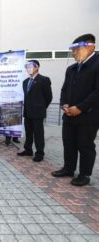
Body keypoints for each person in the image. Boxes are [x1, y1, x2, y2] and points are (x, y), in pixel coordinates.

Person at [52, 34, 99, 186]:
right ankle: (68, 168)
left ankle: (84, 174)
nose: (73, 53)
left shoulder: (96, 64)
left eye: (76, 49)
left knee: (85, 145)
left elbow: (97, 92)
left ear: (91, 46)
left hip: (88, 116)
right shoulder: (71, 69)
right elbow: (64, 90)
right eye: (72, 49)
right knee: (69, 143)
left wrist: (80, 107)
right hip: (69, 115)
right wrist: (64, 104)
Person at [17, 60, 52, 162]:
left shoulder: (44, 80)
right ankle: (28, 149)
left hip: (38, 113)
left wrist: (41, 107)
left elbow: (48, 97)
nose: (28, 68)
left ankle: (39, 153)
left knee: (38, 134)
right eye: (26, 67)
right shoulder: (25, 82)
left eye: (30, 66)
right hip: (27, 112)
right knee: (28, 132)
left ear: (37, 67)